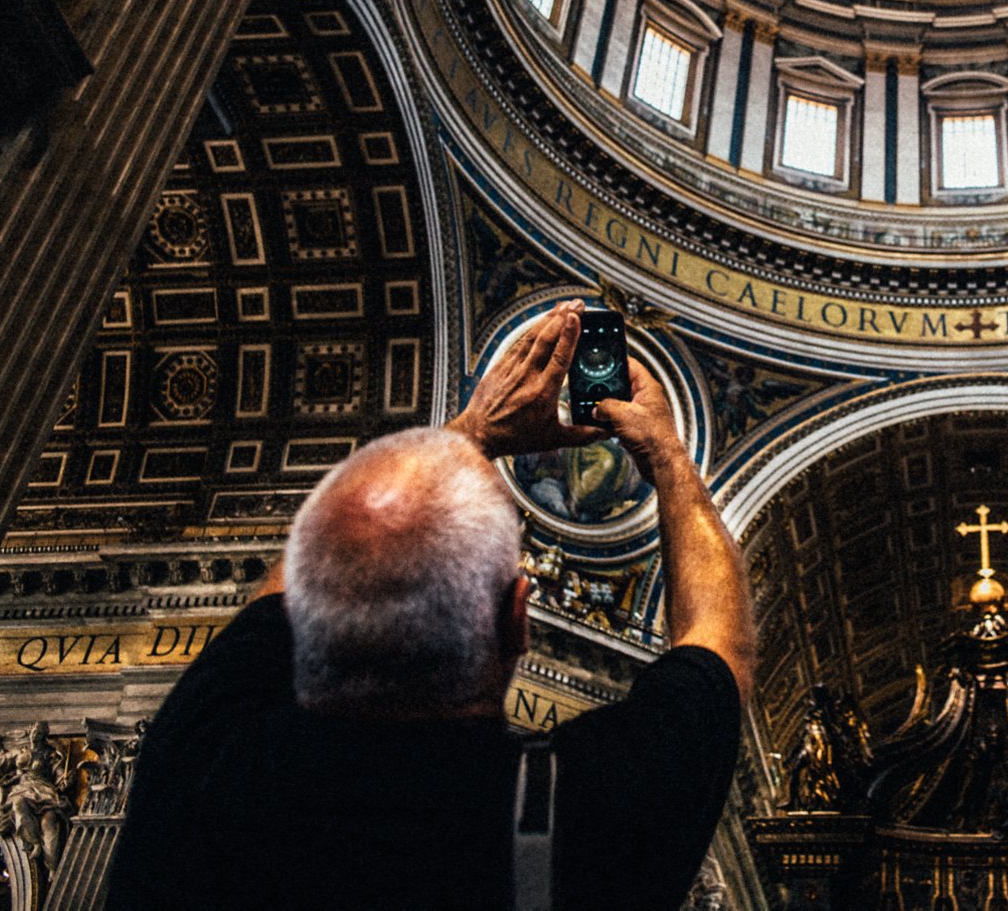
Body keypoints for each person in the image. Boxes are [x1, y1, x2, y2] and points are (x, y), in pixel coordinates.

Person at [105, 300, 755, 909]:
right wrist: (668, 458)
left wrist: (471, 431)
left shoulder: (198, 760)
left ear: (309, 604)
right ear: (516, 621)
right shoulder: (586, 823)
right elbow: (719, 642)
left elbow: (300, 576)